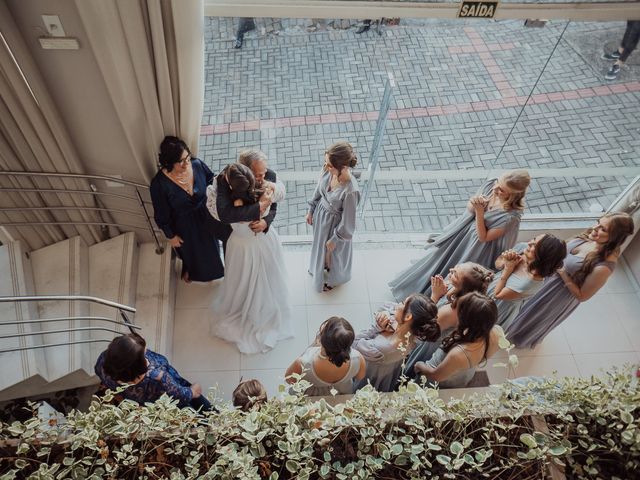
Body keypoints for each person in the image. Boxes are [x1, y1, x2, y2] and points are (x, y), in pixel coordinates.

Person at [389, 170, 530, 300]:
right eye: (497, 183)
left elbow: (484, 237)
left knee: (456, 270)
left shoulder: (511, 217)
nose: (495, 189)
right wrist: (475, 204)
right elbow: (470, 206)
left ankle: (432, 298)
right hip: (462, 234)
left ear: (513, 195)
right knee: (440, 259)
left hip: (476, 247)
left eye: (501, 190)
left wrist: (480, 212)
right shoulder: (491, 185)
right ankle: (418, 287)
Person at [506, 212, 635, 349]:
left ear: (614, 237)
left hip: (556, 295)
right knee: (519, 305)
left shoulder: (603, 267)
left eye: (603, 229)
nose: (595, 228)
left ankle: (513, 336)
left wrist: (563, 273)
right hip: (545, 277)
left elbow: (582, 296)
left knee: (530, 314)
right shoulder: (589, 237)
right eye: (598, 222)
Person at [206, 163, 292, 354]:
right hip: (259, 242)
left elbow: (222, 212)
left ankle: (249, 307)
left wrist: (265, 221)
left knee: (245, 278)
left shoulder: (232, 203)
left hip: (243, 245)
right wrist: (262, 206)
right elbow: (275, 199)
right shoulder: (263, 194)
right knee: (252, 277)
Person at [150, 136, 230, 283]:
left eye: (187, 157)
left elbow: (211, 179)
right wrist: (170, 235)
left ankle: (224, 270)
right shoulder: (159, 184)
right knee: (197, 254)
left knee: (219, 244)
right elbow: (161, 214)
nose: (186, 163)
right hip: (185, 225)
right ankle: (197, 273)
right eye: (181, 161)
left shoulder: (197, 164)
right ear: (169, 162)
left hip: (208, 214)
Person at [401, 262, 494, 383]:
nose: (450, 270)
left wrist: (434, 296)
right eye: (454, 268)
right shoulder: (473, 300)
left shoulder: (450, 311)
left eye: (455, 274)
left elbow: (427, 329)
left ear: (463, 286)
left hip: (432, 344)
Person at [95, 333, 212, 411]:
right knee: (205, 410)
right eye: (144, 353)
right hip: (171, 405)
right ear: (138, 365)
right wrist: (194, 390)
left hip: (143, 403)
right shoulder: (158, 377)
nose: (148, 351)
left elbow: (101, 375)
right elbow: (182, 395)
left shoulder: (103, 361)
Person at [352, 294, 440, 392]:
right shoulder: (415, 336)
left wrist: (376, 328)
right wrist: (387, 317)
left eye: (402, 303)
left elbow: (353, 342)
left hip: (369, 376)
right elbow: (387, 306)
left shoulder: (381, 348)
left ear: (407, 317)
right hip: (387, 375)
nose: (397, 305)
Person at [414, 292, 500, 389]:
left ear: (466, 320)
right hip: (464, 374)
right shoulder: (497, 332)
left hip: (441, 380)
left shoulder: (458, 354)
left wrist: (420, 366)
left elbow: (436, 376)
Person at [306, 142, 360, 292]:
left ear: (343, 166)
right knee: (319, 247)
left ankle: (334, 278)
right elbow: (318, 190)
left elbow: (349, 222)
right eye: (326, 162)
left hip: (335, 226)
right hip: (321, 217)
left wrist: (335, 238)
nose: (326, 167)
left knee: (334, 254)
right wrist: (311, 209)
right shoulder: (327, 170)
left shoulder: (351, 190)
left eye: (330, 165)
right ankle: (318, 268)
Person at [488, 234, 566, 330]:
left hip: (499, 307)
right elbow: (497, 264)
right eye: (533, 239)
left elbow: (497, 294)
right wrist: (505, 260)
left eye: (535, 245)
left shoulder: (530, 282)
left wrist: (508, 269)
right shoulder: (522, 247)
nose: (529, 243)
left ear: (543, 254)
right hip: (490, 286)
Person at [285, 316, 366, 396]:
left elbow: (289, 380)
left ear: (321, 340)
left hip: (312, 396)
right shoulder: (358, 358)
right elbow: (360, 376)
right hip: (341, 394)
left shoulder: (304, 362)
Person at [237, 149, 279, 234]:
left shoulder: (270, 175)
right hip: (238, 232)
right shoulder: (234, 179)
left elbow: (273, 207)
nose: (263, 178)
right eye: (258, 175)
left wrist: (265, 222)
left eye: (264, 172)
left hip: (263, 233)